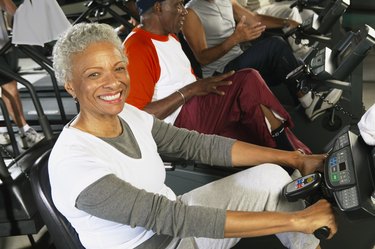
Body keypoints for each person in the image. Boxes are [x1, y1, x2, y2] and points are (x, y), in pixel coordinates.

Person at [50, 22, 337, 249]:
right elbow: (170, 218)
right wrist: (296, 220)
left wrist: (294, 159)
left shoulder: (128, 115)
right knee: (292, 216)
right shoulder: (73, 163)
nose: (113, 82)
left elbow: (196, 145)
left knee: (273, 177)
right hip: (166, 236)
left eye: (118, 68)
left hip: (178, 224)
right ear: (71, 86)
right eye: (94, 75)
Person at [124, 0, 312, 155]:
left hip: (195, 103)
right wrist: (190, 90)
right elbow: (138, 116)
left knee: (249, 115)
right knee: (247, 80)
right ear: (158, 7)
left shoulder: (170, 38)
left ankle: (291, 156)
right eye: (178, 6)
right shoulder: (138, 48)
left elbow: (183, 80)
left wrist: (198, 86)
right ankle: (293, 153)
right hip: (179, 122)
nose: (183, 12)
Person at [182, 0, 343, 120]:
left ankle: (307, 100)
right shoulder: (191, 12)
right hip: (220, 74)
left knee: (285, 62)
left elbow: (254, 18)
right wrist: (235, 39)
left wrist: (286, 22)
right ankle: (308, 99)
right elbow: (202, 58)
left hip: (238, 59)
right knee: (274, 46)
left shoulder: (225, 0)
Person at [0, 0, 44, 149]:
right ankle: (24, 131)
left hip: (4, 44)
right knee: (10, 87)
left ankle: (13, 130)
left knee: (10, 89)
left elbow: (8, 6)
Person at [236, 0, 316, 57]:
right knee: (292, 11)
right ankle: (302, 51)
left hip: (271, 3)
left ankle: (319, 33)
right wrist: (286, 22)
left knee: (299, 5)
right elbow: (243, 14)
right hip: (253, 13)